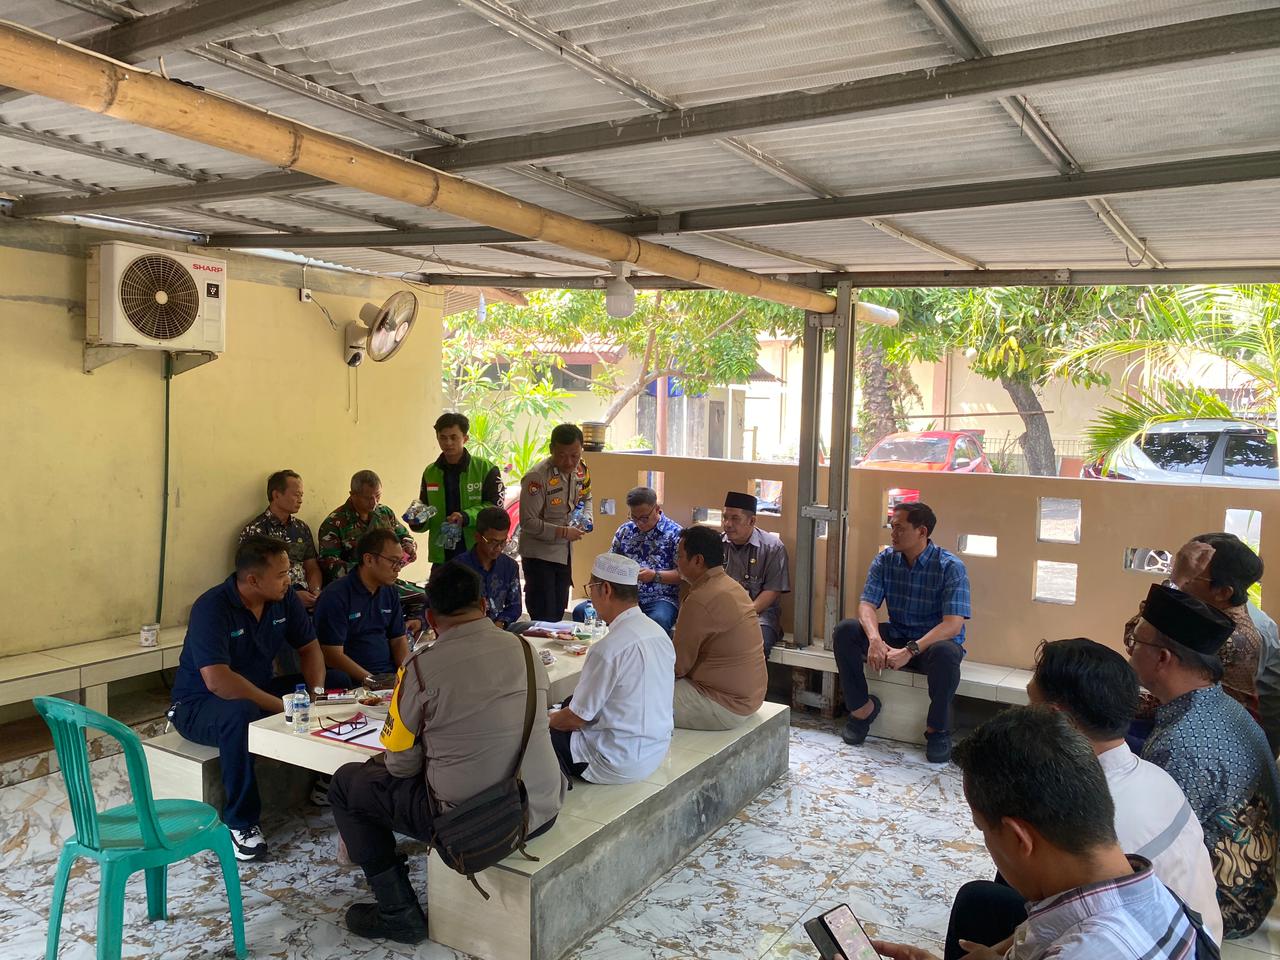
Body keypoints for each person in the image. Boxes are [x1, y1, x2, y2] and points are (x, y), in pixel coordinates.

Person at [328, 562, 565, 944]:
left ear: (430, 618)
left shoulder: (421, 667)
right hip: (542, 805)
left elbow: (401, 766)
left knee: (346, 784)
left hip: (473, 823)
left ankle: (398, 913)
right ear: (483, 605)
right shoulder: (525, 649)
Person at [875, 707, 1211, 960]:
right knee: (980, 901)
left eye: (983, 829)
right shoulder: (1158, 894)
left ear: (1018, 838)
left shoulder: (1082, 952)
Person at [1014, 638, 1221, 943]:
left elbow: (1067, 930)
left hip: (1148, 946)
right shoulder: (1156, 775)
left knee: (990, 893)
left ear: (1058, 719)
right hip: (1199, 940)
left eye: (1031, 706)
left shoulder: (1084, 818)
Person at [1128, 582, 1280, 939]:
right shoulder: (1220, 706)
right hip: (1252, 890)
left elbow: (1153, 844)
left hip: (1223, 905)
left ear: (1163, 658)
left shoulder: (1180, 744)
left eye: (1136, 642)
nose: (1130, 651)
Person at [169, 535, 326, 861]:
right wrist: (285, 707)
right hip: (199, 706)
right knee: (239, 713)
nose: (289, 580)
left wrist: (316, 696)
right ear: (253, 580)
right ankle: (240, 822)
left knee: (336, 682)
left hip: (256, 692)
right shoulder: (212, 607)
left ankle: (329, 776)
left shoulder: (283, 599)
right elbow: (218, 682)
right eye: (282, 574)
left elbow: (310, 648)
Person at [832, 501, 970, 763]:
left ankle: (937, 729)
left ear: (922, 531)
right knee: (845, 630)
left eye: (900, 528)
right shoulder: (885, 560)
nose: (893, 534)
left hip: (931, 644)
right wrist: (875, 639)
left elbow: (953, 625)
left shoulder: (950, 566)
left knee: (947, 654)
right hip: (896, 634)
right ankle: (861, 709)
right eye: (892, 527)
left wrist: (910, 650)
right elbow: (867, 605)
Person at [548, 554, 675, 783]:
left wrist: (545, 720)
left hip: (613, 761)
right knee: (569, 702)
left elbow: (576, 719)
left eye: (591, 588)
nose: (591, 597)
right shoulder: (658, 633)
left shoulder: (608, 648)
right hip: (654, 752)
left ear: (605, 589)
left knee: (536, 732)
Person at [670, 525, 767, 730]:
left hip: (722, 704)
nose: (676, 562)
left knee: (633, 701)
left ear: (698, 560)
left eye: (679, 556)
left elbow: (677, 666)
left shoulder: (700, 599)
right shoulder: (731, 586)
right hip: (751, 697)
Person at [1174, 534, 1265, 722]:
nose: (1184, 582)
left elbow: (1138, 636)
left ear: (1223, 592)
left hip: (1210, 727)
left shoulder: (1228, 635)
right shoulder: (1212, 613)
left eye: (1190, 576)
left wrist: (1175, 581)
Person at [317, 469, 423, 621]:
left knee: (426, 599)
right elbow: (329, 563)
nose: (374, 502)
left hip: (386, 581)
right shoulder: (334, 523)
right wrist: (367, 573)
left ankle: (405, 631)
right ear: (353, 495)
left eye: (378, 496)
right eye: (368, 498)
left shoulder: (384, 513)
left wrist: (408, 547)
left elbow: (404, 535)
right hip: (355, 586)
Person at [314, 528, 410, 688]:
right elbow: (331, 655)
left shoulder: (389, 591)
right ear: (369, 560)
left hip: (388, 677)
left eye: (401, 562)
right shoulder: (336, 595)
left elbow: (399, 639)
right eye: (393, 561)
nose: (398, 568)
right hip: (353, 683)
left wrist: (406, 677)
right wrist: (372, 680)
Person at [518, 423, 592, 622]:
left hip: (564, 554)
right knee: (544, 616)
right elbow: (527, 522)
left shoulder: (581, 470)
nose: (569, 462)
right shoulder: (537, 477)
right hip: (539, 556)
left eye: (574, 455)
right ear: (551, 450)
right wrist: (564, 532)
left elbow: (587, 497)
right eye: (562, 455)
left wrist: (587, 517)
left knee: (558, 613)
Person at [409, 412, 503, 566]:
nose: (448, 443)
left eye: (454, 437)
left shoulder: (485, 469)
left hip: (477, 553)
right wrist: (416, 521)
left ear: (465, 438)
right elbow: (425, 508)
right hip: (442, 556)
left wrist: (465, 517)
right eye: (443, 437)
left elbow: (496, 510)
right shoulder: (430, 472)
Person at [238, 469, 321, 611]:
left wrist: (316, 592)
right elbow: (254, 579)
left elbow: (311, 566)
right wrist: (292, 597)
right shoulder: (256, 531)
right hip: (274, 603)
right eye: (296, 495)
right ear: (276, 495)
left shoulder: (301, 528)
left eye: (301, 495)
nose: (300, 500)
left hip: (306, 598)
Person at [604, 486, 683, 636]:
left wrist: (655, 576)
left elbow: (684, 574)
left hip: (660, 598)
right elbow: (610, 562)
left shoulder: (675, 534)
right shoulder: (625, 531)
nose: (639, 523)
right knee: (583, 611)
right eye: (634, 517)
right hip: (625, 596)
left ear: (657, 509)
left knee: (657, 620)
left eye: (644, 518)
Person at [721, 491, 790, 657]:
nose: (727, 524)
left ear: (752, 521)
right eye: (725, 517)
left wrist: (744, 613)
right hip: (723, 611)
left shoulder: (773, 547)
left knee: (756, 645)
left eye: (735, 519)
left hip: (760, 614)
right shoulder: (717, 544)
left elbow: (773, 590)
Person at [454, 506, 522, 629]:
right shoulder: (459, 567)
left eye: (503, 542)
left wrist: (500, 623)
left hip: (499, 629)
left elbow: (515, 606)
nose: (498, 548)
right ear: (478, 537)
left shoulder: (510, 566)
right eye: (493, 542)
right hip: (468, 631)